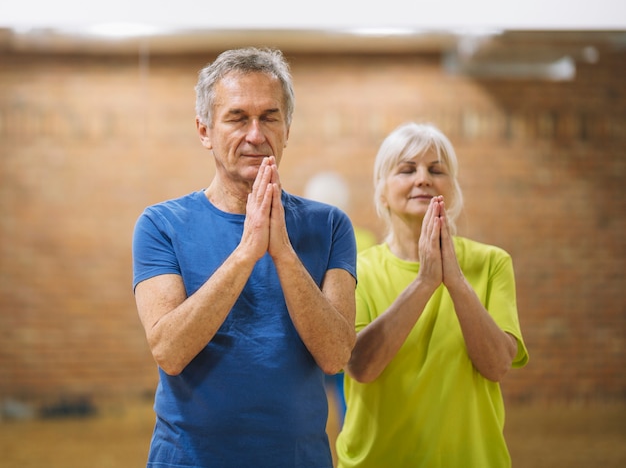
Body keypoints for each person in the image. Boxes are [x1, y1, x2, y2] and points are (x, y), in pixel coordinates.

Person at [132, 47, 357, 468]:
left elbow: (335, 355)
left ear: (287, 128)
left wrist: (283, 254)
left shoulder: (329, 226)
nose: (256, 134)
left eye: (269, 117)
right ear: (205, 131)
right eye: (237, 118)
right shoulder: (161, 224)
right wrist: (248, 250)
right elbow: (169, 349)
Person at [335, 122, 529, 468]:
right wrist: (426, 281)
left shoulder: (491, 263)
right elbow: (361, 367)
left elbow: (497, 365)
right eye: (406, 170)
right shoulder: (355, 269)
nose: (422, 178)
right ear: (382, 192)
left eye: (436, 170)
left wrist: (454, 281)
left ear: (452, 190)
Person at [303, 171, 377, 425]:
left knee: (315, 413)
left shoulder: (304, 242)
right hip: (349, 333)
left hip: (332, 338)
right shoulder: (364, 239)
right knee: (348, 411)